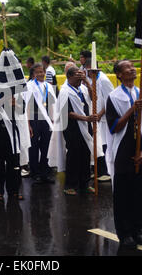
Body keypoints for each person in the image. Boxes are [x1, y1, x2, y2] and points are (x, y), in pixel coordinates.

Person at [105, 60, 142, 249]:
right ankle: (125, 233)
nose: (132, 69)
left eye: (133, 66)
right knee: (123, 195)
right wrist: (132, 109)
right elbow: (115, 127)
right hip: (123, 153)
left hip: (141, 153)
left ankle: (138, 230)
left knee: (141, 194)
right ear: (119, 75)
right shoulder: (113, 98)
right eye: (127, 68)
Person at [47, 66, 103, 196]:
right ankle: (70, 185)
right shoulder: (65, 91)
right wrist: (86, 118)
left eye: (81, 76)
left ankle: (84, 184)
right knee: (74, 155)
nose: (79, 79)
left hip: (86, 125)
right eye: (77, 76)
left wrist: (87, 82)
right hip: (72, 127)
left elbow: (94, 98)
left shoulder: (82, 88)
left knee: (85, 154)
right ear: (70, 77)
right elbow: (67, 113)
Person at [80, 50, 114, 182]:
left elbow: (110, 100)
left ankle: (104, 171)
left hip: (102, 118)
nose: (88, 74)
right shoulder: (88, 79)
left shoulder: (104, 80)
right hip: (92, 117)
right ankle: (95, 169)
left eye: (89, 71)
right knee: (95, 144)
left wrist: (100, 114)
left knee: (103, 144)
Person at [25, 63, 56, 184]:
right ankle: (34, 172)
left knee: (46, 146)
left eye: (42, 71)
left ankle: (44, 173)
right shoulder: (29, 86)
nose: (41, 74)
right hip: (34, 119)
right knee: (33, 146)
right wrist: (28, 124)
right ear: (33, 74)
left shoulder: (49, 86)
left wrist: (53, 120)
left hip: (46, 120)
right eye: (38, 72)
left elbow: (53, 104)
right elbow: (26, 106)